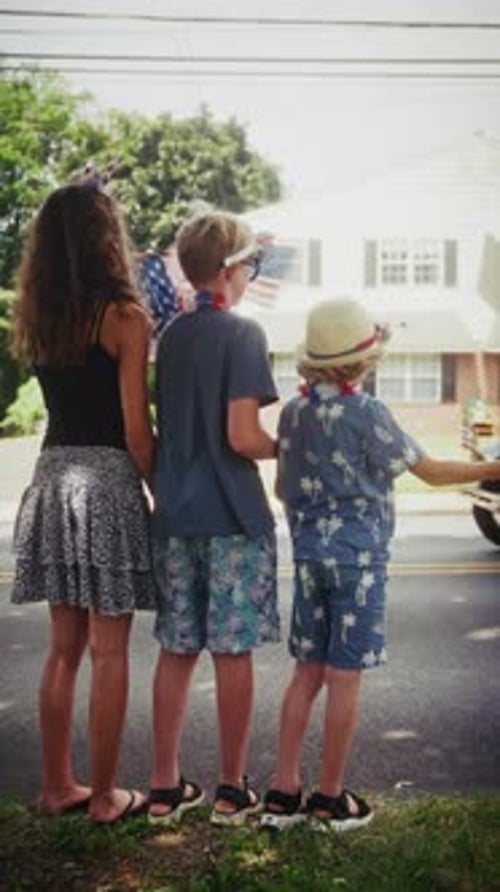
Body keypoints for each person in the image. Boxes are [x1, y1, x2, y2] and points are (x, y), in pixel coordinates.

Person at [260, 297, 500, 832]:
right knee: (345, 679)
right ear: (361, 362)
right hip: (359, 563)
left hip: (308, 561)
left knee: (306, 674)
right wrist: (496, 465)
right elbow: (433, 472)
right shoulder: (366, 413)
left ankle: (282, 792)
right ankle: (330, 798)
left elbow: (283, 487)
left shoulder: (294, 414)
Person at [10, 178, 157, 824]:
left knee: (62, 648)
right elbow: (135, 429)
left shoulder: (40, 318)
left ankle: (55, 786)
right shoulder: (124, 319)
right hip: (104, 483)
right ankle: (103, 797)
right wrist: (161, 491)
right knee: (110, 649)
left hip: (50, 478)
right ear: (107, 241)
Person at [149, 211, 280, 827]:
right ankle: (231, 789)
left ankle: (163, 787)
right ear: (229, 270)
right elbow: (243, 435)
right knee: (231, 654)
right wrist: (290, 447)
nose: (253, 276)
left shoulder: (172, 335)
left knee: (176, 651)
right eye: (251, 265)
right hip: (231, 515)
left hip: (174, 514)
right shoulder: (243, 336)